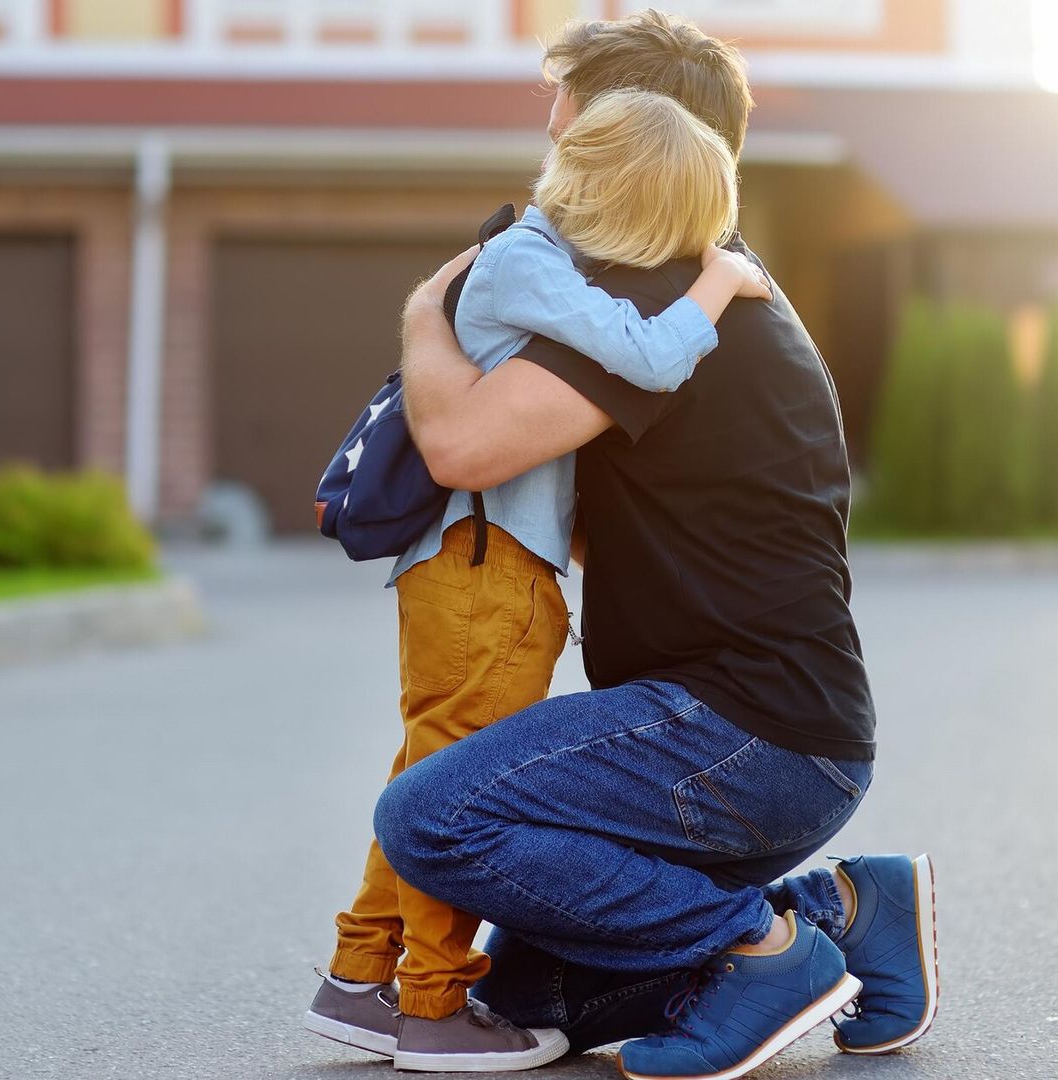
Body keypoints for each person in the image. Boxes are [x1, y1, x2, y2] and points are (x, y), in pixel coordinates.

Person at [367, 10, 938, 1080]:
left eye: (565, 106)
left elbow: (459, 443)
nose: (550, 128)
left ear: (628, 126)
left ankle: (761, 951)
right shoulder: (700, 279)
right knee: (533, 993)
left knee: (433, 821)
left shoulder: (653, 292)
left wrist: (425, 309)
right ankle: (849, 911)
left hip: (738, 736)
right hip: (771, 739)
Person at [305, 87, 772, 1071]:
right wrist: (721, 284)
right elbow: (648, 356)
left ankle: (358, 978)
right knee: (454, 795)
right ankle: (430, 1003)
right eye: (675, 216)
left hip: (482, 571)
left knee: (427, 772)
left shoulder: (527, 261)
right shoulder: (529, 259)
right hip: (485, 573)